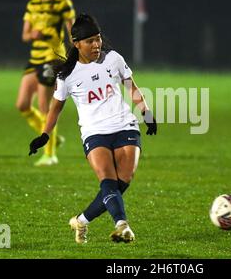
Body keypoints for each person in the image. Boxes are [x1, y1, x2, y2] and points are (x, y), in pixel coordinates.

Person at [28, 13, 157, 244]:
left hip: (125, 126)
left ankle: (81, 221)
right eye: (90, 41)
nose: (96, 44)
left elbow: (132, 88)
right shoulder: (66, 75)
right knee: (108, 181)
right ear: (76, 44)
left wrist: (147, 113)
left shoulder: (114, 59)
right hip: (94, 133)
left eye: (98, 39)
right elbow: (55, 108)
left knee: (122, 181)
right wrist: (45, 135)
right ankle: (122, 226)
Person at [16, 0, 76, 166]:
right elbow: (25, 35)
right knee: (23, 105)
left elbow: (71, 31)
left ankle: (50, 155)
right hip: (34, 59)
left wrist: (75, 52)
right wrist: (33, 35)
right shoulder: (32, 5)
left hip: (52, 59)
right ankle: (53, 138)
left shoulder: (62, 3)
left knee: (45, 107)